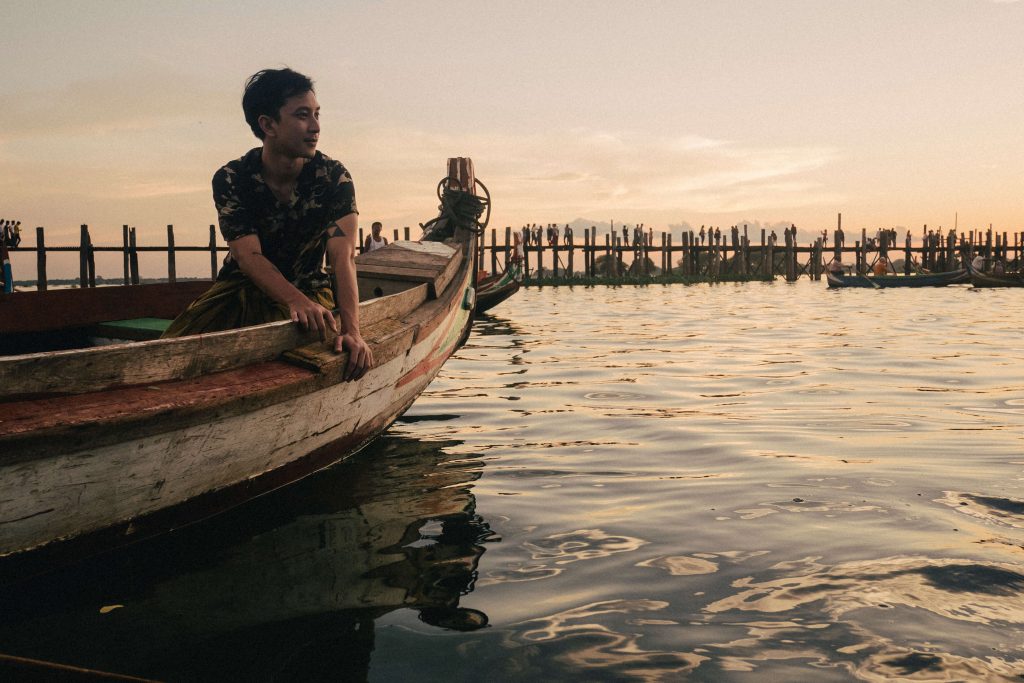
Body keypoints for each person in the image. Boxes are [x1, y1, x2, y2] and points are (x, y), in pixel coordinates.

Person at [163, 67, 372, 380]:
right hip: (241, 290)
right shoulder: (232, 178)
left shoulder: (333, 177)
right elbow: (249, 256)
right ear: (268, 124)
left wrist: (352, 330)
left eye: (317, 114)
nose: (315, 126)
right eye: (303, 115)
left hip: (311, 291)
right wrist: (294, 302)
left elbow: (343, 257)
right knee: (170, 357)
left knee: (315, 349)